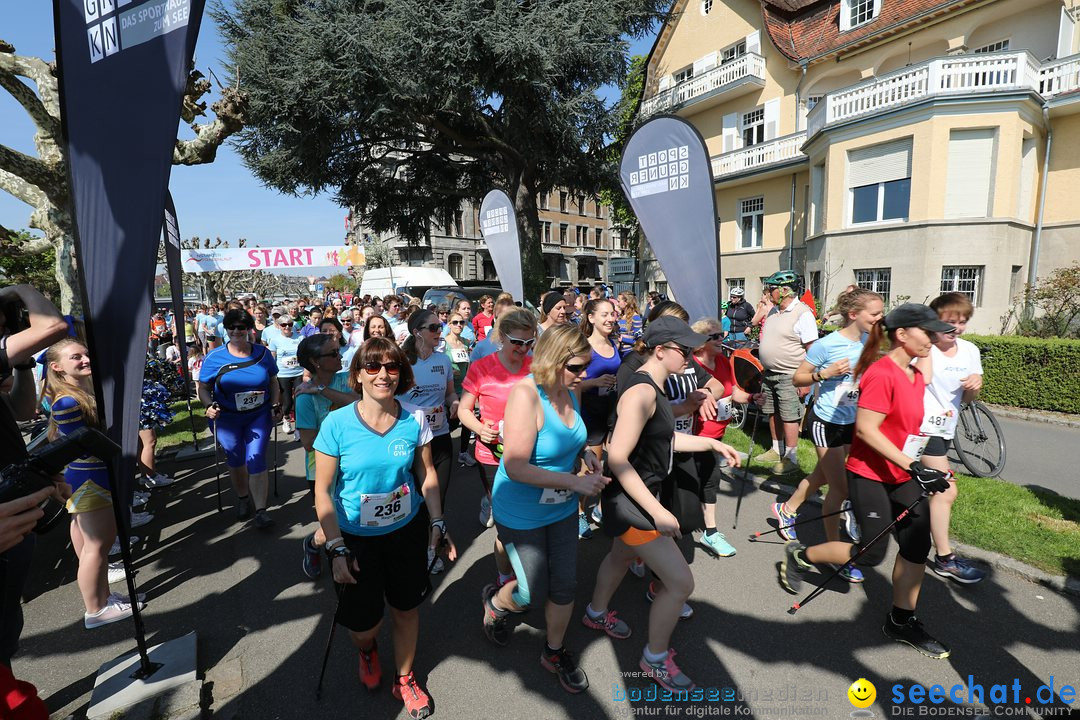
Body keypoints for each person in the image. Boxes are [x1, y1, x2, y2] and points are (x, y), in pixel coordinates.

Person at [778, 304, 956, 659]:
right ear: (902, 335)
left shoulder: (916, 374)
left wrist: (923, 466)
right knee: (872, 554)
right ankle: (802, 555)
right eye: (927, 332)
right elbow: (866, 430)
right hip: (870, 474)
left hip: (902, 472)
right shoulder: (882, 373)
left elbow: (908, 420)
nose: (934, 339)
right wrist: (914, 465)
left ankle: (901, 621)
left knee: (917, 543)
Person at [584, 317, 740, 692]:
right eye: (684, 350)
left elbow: (664, 440)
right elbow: (617, 458)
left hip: (637, 497)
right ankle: (654, 658)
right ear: (659, 350)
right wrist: (657, 512)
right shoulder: (641, 393)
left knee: (620, 557)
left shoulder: (656, 386)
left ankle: (595, 613)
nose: (690, 356)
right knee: (680, 582)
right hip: (631, 502)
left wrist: (712, 443)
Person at [313, 338, 456, 718]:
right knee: (365, 624)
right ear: (357, 375)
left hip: (405, 532)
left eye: (392, 367)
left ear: (402, 374)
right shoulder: (337, 424)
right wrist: (336, 547)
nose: (383, 375)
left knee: (407, 609)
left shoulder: (414, 419)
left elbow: (426, 475)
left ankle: (405, 678)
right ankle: (367, 648)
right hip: (354, 539)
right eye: (373, 367)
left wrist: (438, 521)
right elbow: (323, 491)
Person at [482, 324, 607, 693]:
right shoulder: (526, 395)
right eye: (576, 368)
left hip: (561, 507)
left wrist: (585, 454)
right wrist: (575, 482)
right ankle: (495, 604)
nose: (583, 375)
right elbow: (517, 465)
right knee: (530, 592)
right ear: (553, 360)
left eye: (585, 367)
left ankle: (554, 651)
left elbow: (572, 436)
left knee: (566, 585)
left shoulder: (571, 389)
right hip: (521, 509)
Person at [771, 288, 884, 585]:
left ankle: (787, 508)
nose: (880, 318)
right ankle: (836, 554)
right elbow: (798, 378)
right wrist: (826, 374)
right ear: (854, 314)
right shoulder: (826, 345)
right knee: (841, 488)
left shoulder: (870, 341)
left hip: (855, 421)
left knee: (823, 476)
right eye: (874, 313)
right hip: (827, 421)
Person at [43, 339, 144, 628]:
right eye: (77, 357)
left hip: (89, 479)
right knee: (97, 548)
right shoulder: (67, 401)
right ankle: (96, 610)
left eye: (87, 353)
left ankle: (103, 597)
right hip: (90, 480)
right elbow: (82, 445)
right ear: (57, 367)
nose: (86, 359)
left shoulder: (78, 394)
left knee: (91, 548)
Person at [0, 285, 69, 663]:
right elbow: (54, 326)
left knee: (8, 627)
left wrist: (22, 362)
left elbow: (23, 410)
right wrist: (19, 290)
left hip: (14, 507)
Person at [458, 308, 536, 584]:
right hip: (493, 456)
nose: (524, 349)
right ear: (502, 337)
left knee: (528, 517)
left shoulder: (535, 365)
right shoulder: (482, 367)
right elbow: (464, 410)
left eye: (529, 343)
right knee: (507, 525)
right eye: (517, 343)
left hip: (530, 454)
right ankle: (505, 575)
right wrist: (480, 429)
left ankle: (526, 569)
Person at [917, 293, 986, 584]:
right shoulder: (923, 348)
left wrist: (975, 384)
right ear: (934, 322)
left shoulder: (969, 351)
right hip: (920, 427)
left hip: (946, 427)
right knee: (945, 490)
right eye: (950, 322)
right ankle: (945, 558)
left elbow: (969, 397)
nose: (957, 328)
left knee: (905, 486)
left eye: (962, 322)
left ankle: (858, 506)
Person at [199, 309, 283, 528]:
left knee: (256, 457)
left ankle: (261, 511)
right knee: (236, 460)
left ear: (249, 329)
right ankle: (243, 498)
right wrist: (208, 405)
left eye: (241, 327)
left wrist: (275, 403)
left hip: (258, 415)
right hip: (227, 419)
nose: (236, 331)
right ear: (226, 329)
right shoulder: (214, 357)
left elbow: (273, 381)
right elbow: (203, 388)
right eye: (232, 327)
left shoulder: (263, 354)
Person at [400, 310, 459, 574]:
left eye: (440, 326)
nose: (439, 331)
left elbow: (449, 393)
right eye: (434, 327)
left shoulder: (443, 360)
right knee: (415, 500)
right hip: (411, 441)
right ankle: (411, 547)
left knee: (438, 497)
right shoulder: (401, 363)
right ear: (417, 332)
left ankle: (430, 550)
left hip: (441, 436)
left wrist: (455, 402)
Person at [688, 317, 753, 558]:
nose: (721, 339)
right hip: (693, 435)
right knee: (689, 484)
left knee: (709, 481)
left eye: (721, 335)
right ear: (701, 342)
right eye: (715, 336)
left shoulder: (723, 361)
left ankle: (710, 532)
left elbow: (733, 391)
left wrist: (750, 398)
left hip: (716, 436)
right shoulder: (691, 365)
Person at [295, 333, 359, 579]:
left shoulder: (347, 380)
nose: (340, 355)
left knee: (350, 517)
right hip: (323, 471)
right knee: (336, 523)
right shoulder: (304, 397)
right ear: (316, 361)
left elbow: (359, 403)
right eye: (333, 353)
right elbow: (309, 443)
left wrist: (321, 390)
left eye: (338, 349)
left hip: (354, 464)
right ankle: (313, 544)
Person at [756, 271, 817, 476]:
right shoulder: (774, 311)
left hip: (791, 375)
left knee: (790, 415)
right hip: (770, 373)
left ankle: (791, 458)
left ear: (784, 290)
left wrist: (806, 381)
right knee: (773, 411)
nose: (768, 293)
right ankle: (776, 448)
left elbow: (813, 350)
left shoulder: (803, 313)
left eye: (771, 289)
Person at [576, 298, 620, 539]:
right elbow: (570, 382)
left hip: (611, 412)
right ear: (591, 318)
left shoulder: (614, 343)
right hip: (589, 413)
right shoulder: (583, 347)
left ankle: (602, 507)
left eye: (612, 314)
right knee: (591, 466)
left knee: (614, 462)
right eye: (604, 314)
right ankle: (579, 511)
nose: (610, 318)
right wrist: (593, 382)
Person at [267, 314, 303, 435]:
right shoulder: (275, 340)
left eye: (290, 324)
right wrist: (272, 375)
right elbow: (272, 358)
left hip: (299, 372)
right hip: (283, 374)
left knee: (299, 400)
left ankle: (299, 426)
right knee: (287, 402)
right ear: (279, 326)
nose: (287, 327)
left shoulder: (300, 337)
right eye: (284, 325)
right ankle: (286, 417)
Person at [469, 295, 516, 362]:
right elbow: (474, 331)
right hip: (486, 342)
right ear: (483, 305)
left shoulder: (522, 345)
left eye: (492, 302)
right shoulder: (477, 318)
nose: (491, 304)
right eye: (489, 303)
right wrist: (476, 341)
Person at [615, 292, 643, 357]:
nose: (617, 303)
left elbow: (638, 341)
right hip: (618, 352)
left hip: (629, 353)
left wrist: (623, 339)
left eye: (618, 301)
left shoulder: (635, 317)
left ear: (626, 302)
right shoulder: (621, 316)